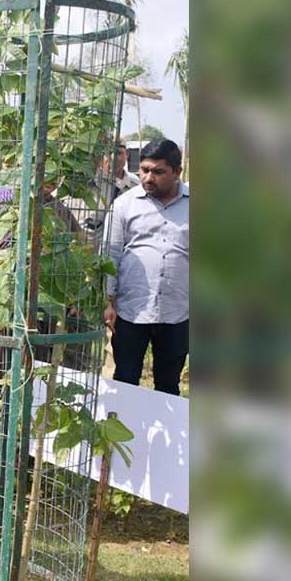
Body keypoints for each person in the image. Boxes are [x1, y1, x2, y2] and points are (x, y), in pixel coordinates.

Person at [103, 138, 189, 396]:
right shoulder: (125, 204)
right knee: (125, 380)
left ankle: (170, 436)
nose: (148, 177)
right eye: (144, 170)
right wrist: (107, 300)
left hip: (178, 311)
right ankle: (120, 436)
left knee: (168, 384)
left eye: (158, 172)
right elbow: (111, 253)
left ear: (177, 172)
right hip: (131, 310)